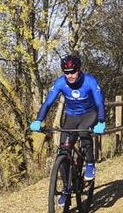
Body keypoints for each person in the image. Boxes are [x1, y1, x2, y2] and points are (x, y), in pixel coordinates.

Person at [29, 52, 106, 181]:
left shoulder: (90, 81)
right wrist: (38, 120)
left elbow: (99, 102)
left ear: (79, 69)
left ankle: (90, 164)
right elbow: (48, 102)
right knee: (63, 150)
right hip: (71, 116)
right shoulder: (60, 83)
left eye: (73, 72)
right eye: (66, 72)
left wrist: (101, 121)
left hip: (89, 113)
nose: (69, 75)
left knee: (83, 131)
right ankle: (65, 188)